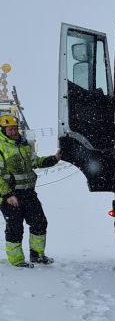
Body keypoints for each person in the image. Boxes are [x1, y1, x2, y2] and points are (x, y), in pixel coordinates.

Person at [0, 114, 60, 267]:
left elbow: (35, 161)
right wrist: (7, 195)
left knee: (39, 223)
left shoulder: (24, 144)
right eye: (10, 129)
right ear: (3, 130)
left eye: (15, 128)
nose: (13, 132)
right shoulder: (1, 147)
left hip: (28, 193)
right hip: (10, 197)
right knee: (15, 228)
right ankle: (17, 261)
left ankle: (37, 255)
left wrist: (54, 159)